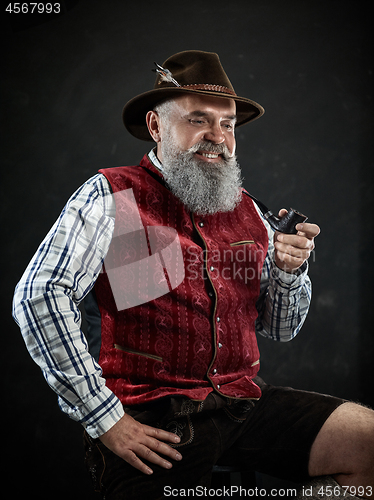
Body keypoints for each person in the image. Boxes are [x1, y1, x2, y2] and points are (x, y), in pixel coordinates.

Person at [13, 50, 374, 499]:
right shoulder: (112, 196)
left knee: (369, 443)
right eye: (198, 120)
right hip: (152, 420)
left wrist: (287, 270)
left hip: (241, 406)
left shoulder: (250, 212)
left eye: (227, 125)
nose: (216, 136)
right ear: (155, 126)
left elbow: (280, 328)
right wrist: (104, 418)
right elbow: (39, 295)